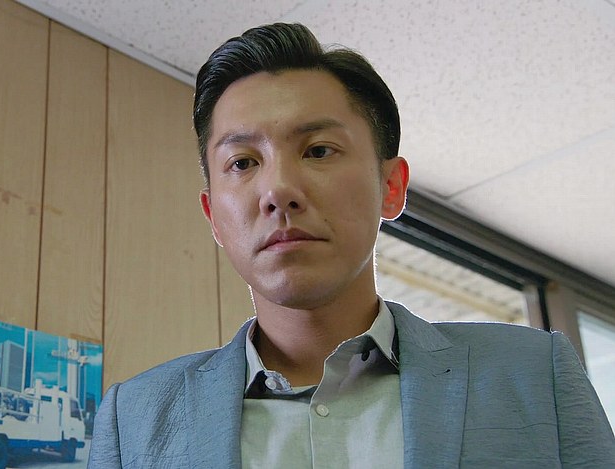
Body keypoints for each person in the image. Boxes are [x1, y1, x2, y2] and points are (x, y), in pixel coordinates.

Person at [88, 23, 615, 468]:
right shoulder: (134, 420)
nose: (278, 190)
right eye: (243, 162)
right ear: (214, 218)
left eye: (318, 150)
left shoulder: (534, 375)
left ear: (391, 186)